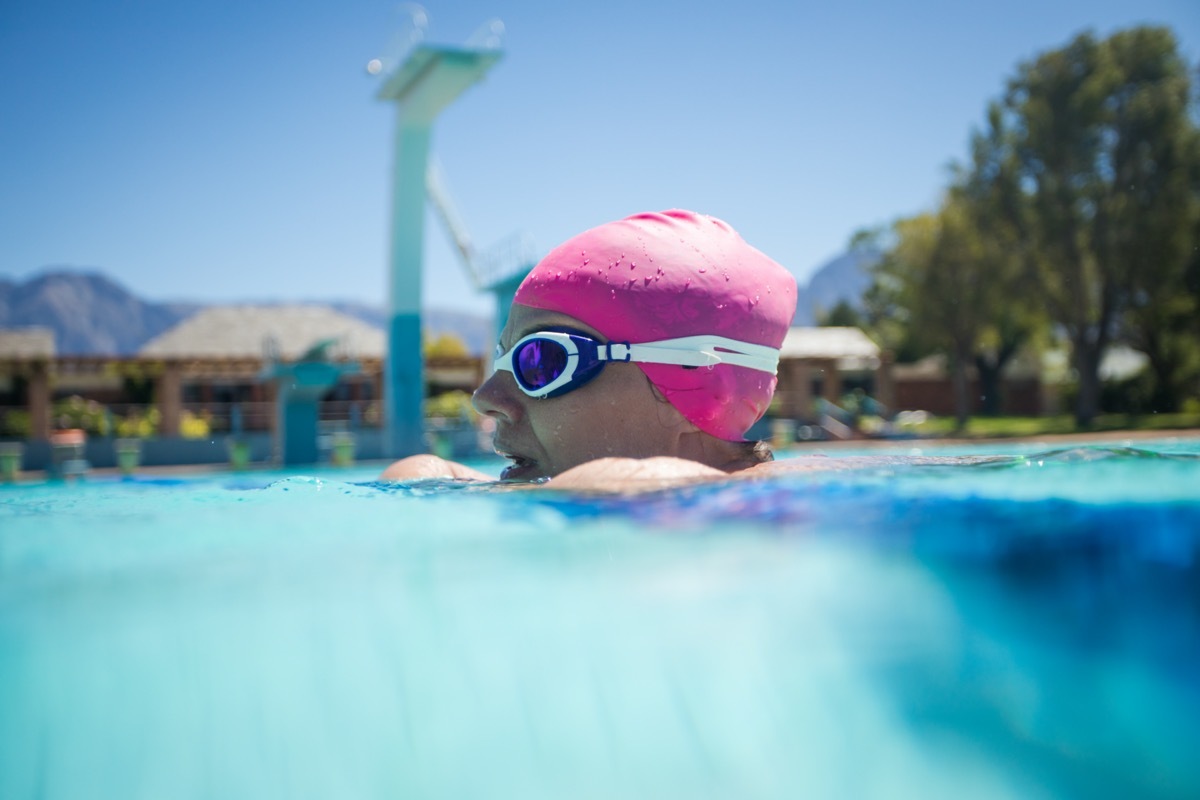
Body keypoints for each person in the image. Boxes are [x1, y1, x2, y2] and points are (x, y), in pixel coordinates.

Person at [382, 209, 799, 488]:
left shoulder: (774, 496)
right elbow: (418, 472)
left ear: (700, 386)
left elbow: (616, 483)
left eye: (542, 361)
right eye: (502, 358)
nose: (486, 399)